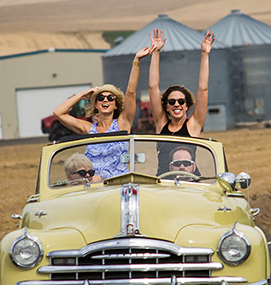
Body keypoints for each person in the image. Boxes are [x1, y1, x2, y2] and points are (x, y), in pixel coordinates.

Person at [54, 46, 151, 179]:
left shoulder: (123, 123)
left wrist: (136, 61)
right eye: (100, 98)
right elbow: (58, 113)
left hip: (118, 183)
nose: (105, 100)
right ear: (96, 105)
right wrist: (81, 95)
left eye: (110, 98)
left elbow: (131, 92)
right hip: (93, 184)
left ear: (116, 105)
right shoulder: (88, 129)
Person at [148, 28, 215, 174]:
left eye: (180, 101)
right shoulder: (161, 124)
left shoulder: (194, 125)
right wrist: (156, 52)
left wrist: (205, 54)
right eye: (172, 102)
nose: (176, 104)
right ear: (166, 106)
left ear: (186, 106)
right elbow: (153, 87)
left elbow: (203, 89)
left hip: (189, 181)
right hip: (164, 181)